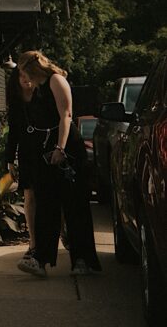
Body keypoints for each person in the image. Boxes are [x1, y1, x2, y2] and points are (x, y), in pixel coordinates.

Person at [15, 50, 101, 278]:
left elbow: (66, 115)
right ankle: (41, 259)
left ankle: (82, 260)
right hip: (46, 151)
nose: (23, 77)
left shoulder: (56, 80)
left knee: (75, 205)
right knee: (46, 204)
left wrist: (61, 148)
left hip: (67, 148)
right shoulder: (35, 88)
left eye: (24, 71)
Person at [5, 67, 37, 254]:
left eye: (29, 75)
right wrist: (10, 160)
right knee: (29, 196)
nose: (25, 79)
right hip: (26, 154)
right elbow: (13, 134)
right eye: (21, 76)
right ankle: (32, 241)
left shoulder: (44, 97)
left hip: (45, 152)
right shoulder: (16, 104)